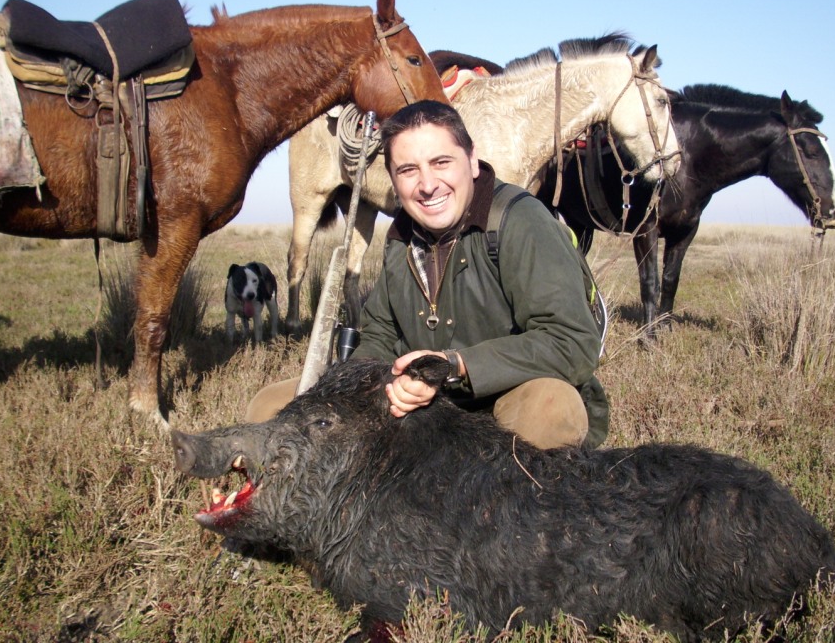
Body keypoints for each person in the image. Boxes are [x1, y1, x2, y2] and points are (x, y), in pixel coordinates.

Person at [247, 100, 607, 449]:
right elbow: (379, 335)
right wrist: (373, 383)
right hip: (423, 405)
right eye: (408, 170)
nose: (428, 184)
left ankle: (508, 489)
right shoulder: (401, 237)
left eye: (441, 162)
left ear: (472, 160)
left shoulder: (520, 221)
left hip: (506, 398)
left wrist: (457, 366)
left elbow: (571, 341)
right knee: (270, 407)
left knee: (549, 408)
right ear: (392, 179)